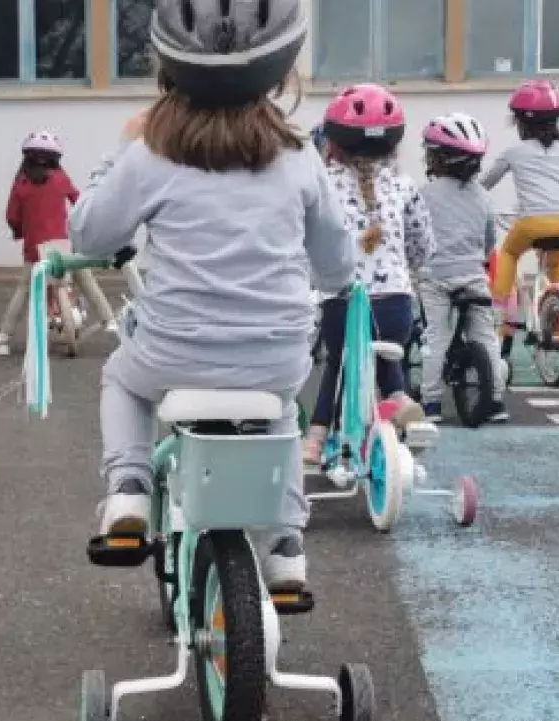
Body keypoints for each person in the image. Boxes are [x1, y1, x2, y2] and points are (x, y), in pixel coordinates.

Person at [69, 0, 355, 594]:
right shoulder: (301, 155)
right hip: (273, 356)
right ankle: (284, 547)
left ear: (168, 70)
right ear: (280, 72)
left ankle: (127, 491)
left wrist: (121, 150)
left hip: (171, 353)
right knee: (279, 408)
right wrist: (332, 281)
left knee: (122, 379)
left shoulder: (151, 153)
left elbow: (91, 233)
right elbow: (337, 264)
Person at [302, 82, 434, 464]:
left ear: (333, 143)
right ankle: (399, 399)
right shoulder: (405, 185)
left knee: (340, 362)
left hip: (341, 303)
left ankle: (316, 437)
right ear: (394, 144)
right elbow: (422, 247)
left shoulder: (322, 185)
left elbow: (308, 240)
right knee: (387, 358)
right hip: (395, 303)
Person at [0, 131, 118, 357]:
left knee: (24, 289)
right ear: (56, 159)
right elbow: (78, 200)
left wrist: (19, 231)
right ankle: (110, 322)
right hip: (63, 245)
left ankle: (3, 339)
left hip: (35, 250)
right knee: (86, 278)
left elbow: (12, 216)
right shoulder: (60, 178)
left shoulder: (21, 183)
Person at [416, 112, 508, 423]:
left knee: (435, 337)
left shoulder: (423, 195)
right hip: (472, 276)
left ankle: (430, 403)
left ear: (438, 159)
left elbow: (414, 234)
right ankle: (495, 400)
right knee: (485, 337)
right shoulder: (483, 197)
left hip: (435, 277)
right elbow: (489, 241)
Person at [480, 79, 559, 310]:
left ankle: (499, 306)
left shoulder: (513, 153)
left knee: (509, 253)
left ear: (522, 124)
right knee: (556, 265)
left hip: (532, 223)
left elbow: (484, 184)